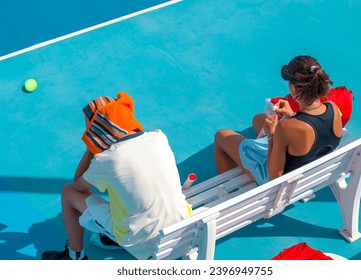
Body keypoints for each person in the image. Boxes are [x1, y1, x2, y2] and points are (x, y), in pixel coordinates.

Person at [42, 92, 192, 260]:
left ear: (96, 132)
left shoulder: (108, 160)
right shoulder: (158, 137)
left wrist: (91, 149)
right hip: (183, 226)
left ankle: (74, 256)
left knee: (68, 192)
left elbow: (78, 185)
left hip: (141, 242)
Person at [214, 55, 343, 185]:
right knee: (259, 119)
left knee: (221, 135)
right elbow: (312, 131)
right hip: (312, 172)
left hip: (280, 183)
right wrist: (291, 115)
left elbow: (274, 175)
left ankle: (228, 191)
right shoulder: (332, 107)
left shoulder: (286, 127)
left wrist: (271, 135)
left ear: (293, 88)